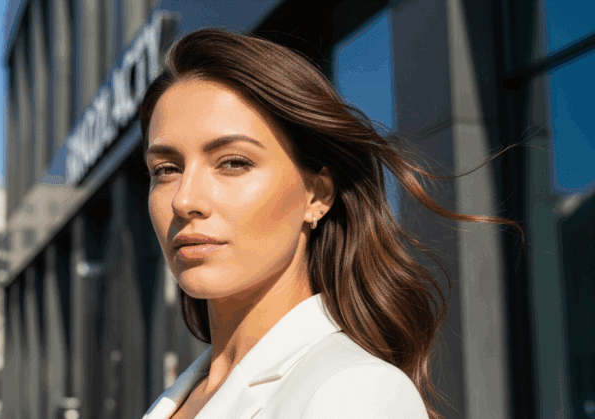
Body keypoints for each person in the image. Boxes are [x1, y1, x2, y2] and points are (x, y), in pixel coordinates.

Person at [139, 28, 521, 419]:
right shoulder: (180, 397)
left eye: (234, 163)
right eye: (165, 170)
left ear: (317, 195)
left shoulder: (355, 392)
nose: (184, 200)